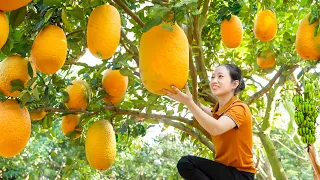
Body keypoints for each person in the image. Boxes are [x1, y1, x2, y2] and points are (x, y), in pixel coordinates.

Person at [164, 64, 256, 180]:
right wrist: (186, 99)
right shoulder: (219, 110)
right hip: (225, 171)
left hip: (241, 175)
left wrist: (188, 103)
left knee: (186, 163)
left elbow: (216, 128)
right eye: (212, 77)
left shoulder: (239, 108)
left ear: (234, 84)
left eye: (220, 76)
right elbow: (204, 110)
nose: (214, 81)